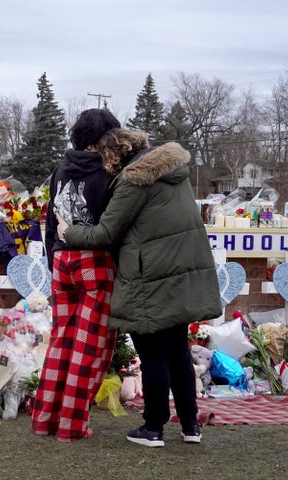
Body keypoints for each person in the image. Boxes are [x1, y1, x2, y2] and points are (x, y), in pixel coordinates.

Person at [56, 128, 222, 448]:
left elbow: (106, 232)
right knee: (177, 353)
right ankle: (190, 426)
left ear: (113, 155)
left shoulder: (134, 181)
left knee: (153, 354)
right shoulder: (174, 173)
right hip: (181, 274)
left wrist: (68, 231)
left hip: (150, 278)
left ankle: (153, 428)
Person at [30, 108, 121, 442]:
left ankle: (46, 419)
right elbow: (114, 226)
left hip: (61, 260)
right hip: (95, 261)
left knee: (61, 340)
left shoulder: (60, 170)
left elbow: (50, 222)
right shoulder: (109, 173)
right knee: (89, 346)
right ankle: (72, 425)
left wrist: (54, 254)